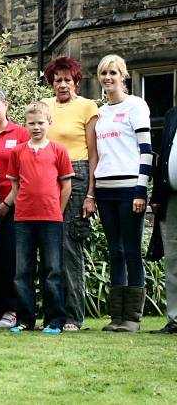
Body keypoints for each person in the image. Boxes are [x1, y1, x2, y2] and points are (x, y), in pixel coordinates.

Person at [94, 54, 152, 333]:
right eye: (104, 73)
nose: (108, 78)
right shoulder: (101, 112)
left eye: (113, 73)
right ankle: (116, 317)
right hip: (105, 189)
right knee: (114, 251)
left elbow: (146, 152)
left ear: (124, 76)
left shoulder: (136, 106)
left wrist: (141, 190)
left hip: (130, 189)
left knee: (131, 251)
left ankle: (133, 318)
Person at [43, 57, 100, 331]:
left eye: (67, 79)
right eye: (57, 80)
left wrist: (91, 192)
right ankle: (53, 313)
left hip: (76, 175)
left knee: (69, 246)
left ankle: (73, 316)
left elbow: (93, 152)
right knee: (49, 247)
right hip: (47, 176)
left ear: (76, 81)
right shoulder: (46, 106)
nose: (62, 84)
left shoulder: (87, 106)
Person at [6, 102, 73, 334]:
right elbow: (14, 185)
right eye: (31, 123)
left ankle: (55, 320)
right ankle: (25, 320)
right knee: (22, 270)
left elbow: (66, 185)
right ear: (25, 125)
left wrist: (58, 210)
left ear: (49, 123)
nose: (36, 127)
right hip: (23, 218)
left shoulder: (59, 151)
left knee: (52, 269)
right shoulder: (18, 152)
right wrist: (20, 206)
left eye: (40, 123)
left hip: (51, 218)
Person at [0, 87, 30, 329]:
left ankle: (10, 309)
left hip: (13, 205)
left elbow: (25, 173)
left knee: (10, 257)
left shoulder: (21, 133)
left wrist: (7, 203)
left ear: (6, 105)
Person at [150, 106, 177, 334]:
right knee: (173, 259)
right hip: (171, 197)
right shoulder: (172, 114)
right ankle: (175, 319)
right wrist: (156, 195)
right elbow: (163, 155)